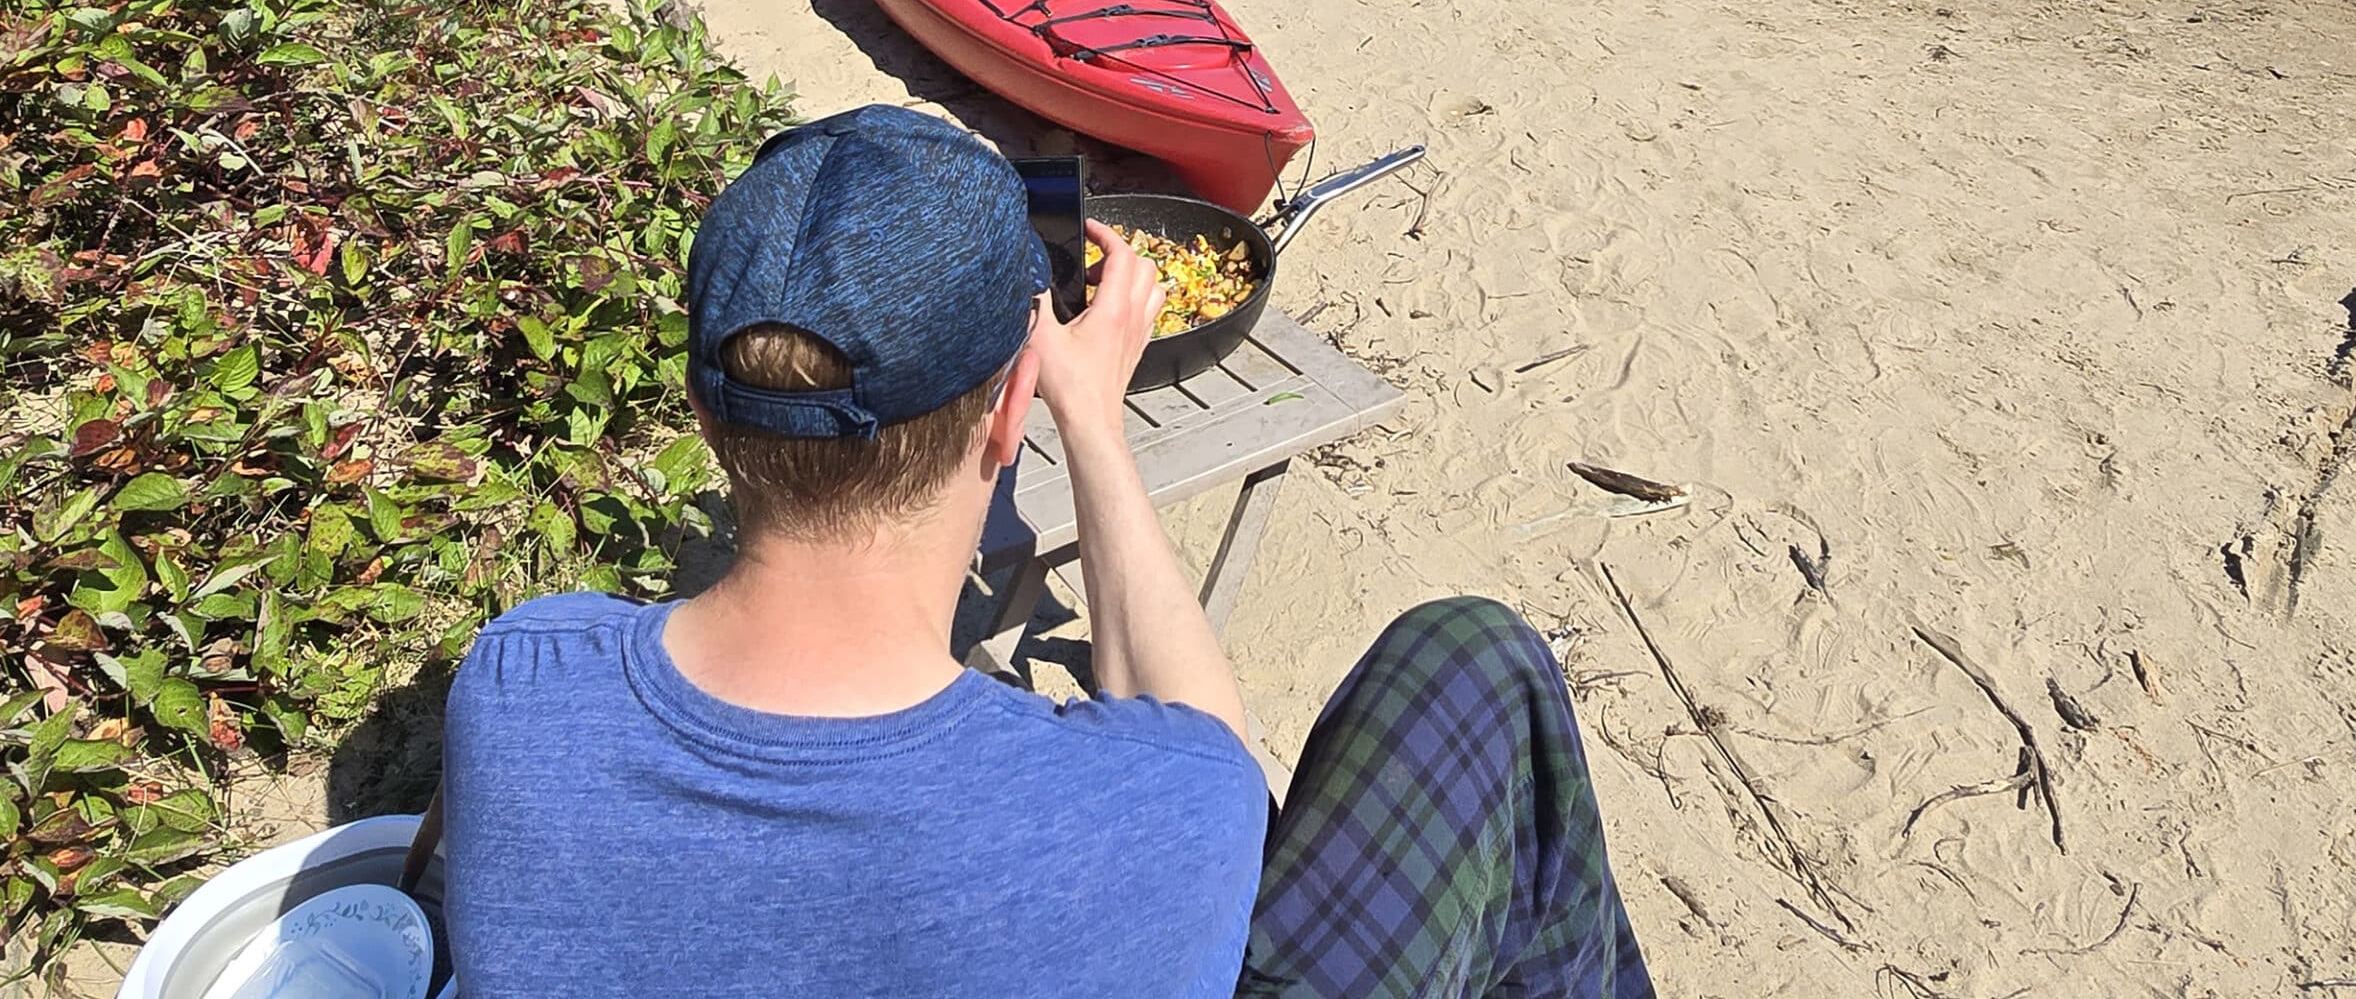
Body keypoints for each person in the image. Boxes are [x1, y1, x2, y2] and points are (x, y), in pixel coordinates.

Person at [441, 105, 1653, 998]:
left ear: (708, 416)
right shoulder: (1149, 810)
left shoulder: (514, 683)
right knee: (1471, 654)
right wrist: (1093, 418)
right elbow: (1208, 748)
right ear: (1009, 409)